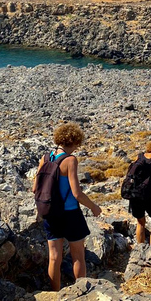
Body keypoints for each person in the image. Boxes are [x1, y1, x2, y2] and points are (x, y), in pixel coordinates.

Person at [33, 123, 102, 291]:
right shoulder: (70, 160)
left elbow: (35, 188)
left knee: (54, 257)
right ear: (74, 141)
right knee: (78, 256)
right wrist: (93, 207)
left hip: (50, 212)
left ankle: (55, 294)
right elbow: (77, 193)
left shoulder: (46, 157)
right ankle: (81, 293)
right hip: (70, 213)